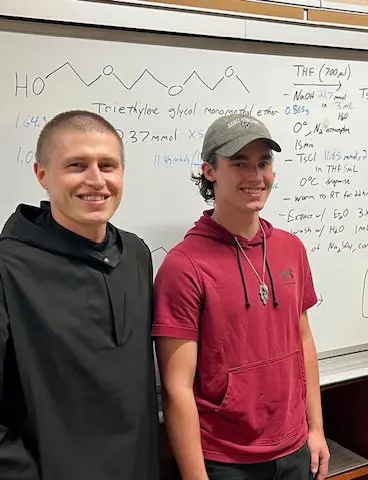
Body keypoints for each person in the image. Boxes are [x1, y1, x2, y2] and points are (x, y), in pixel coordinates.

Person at [152, 113, 330, 480]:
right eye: (239, 164)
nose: (256, 176)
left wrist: (316, 429)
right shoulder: (184, 265)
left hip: (296, 446)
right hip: (226, 459)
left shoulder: (290, 248)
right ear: (210, 170)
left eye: (264, 163)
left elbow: (304, 340)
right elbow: (177, 387)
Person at [0, 110, 159, 479]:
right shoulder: (8, 268)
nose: (96, 180)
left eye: (108, 165)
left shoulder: (136, 255)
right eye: (76, 165)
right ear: (42, 175)